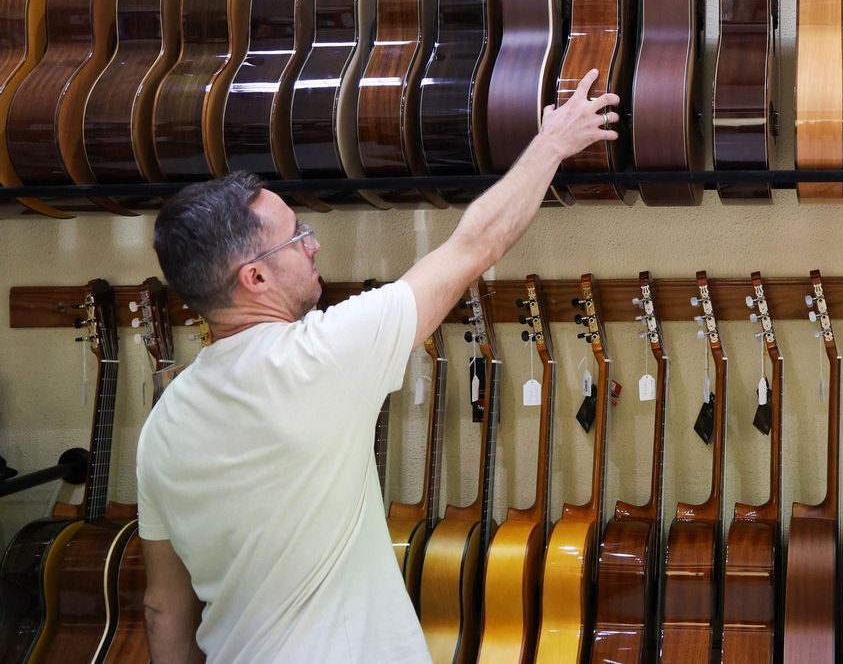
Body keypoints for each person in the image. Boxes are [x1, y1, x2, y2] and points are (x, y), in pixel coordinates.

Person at [136, 71, 620, 664]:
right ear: (255, 277)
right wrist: (553, 143)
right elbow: (476, 246)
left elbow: (164, 608)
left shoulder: (161, 426)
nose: (312, 244)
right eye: (296, 238)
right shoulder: (322, 357)